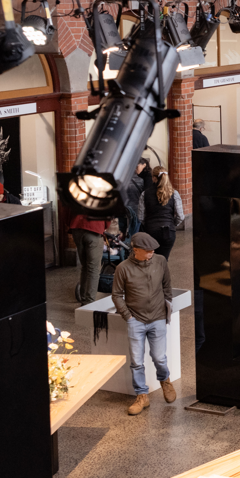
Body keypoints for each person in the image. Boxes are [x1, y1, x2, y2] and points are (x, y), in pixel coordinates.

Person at [111, 232, 175, 416]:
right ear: (136, 250)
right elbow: (116, 295)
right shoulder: (123, 268)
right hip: (136, 320)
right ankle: (142, 395)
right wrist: (128, 316)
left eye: (153, 250)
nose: (151, 254)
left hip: (157, 318)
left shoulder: (161, 261)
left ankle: (165, 381)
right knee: (137, 362)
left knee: (159, 358)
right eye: (147, 251)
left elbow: (167, 286)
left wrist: (166, 307)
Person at [67, 212, 110, 306]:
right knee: (93, 268)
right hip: (95, 228)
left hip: (77, 227)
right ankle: (89, 303)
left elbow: (67, 208)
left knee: (85, 266)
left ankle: (83, 298)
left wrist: (70, 223)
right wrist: (105, 225)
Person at [142, 166, 184, 259]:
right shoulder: (174, 193)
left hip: (151, 231)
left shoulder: (145, 194)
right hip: (168, 232)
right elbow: (180, 216)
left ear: (154, 178)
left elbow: (140, 216)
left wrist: (147, 225)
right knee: (163, 260)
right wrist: (173, 224)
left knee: (151, 260)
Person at [122, 158, 149, 239]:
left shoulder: (122, 181)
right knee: (136, 231)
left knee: (124, 231)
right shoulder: (142, 180)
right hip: (137, 210)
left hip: (125, 210)